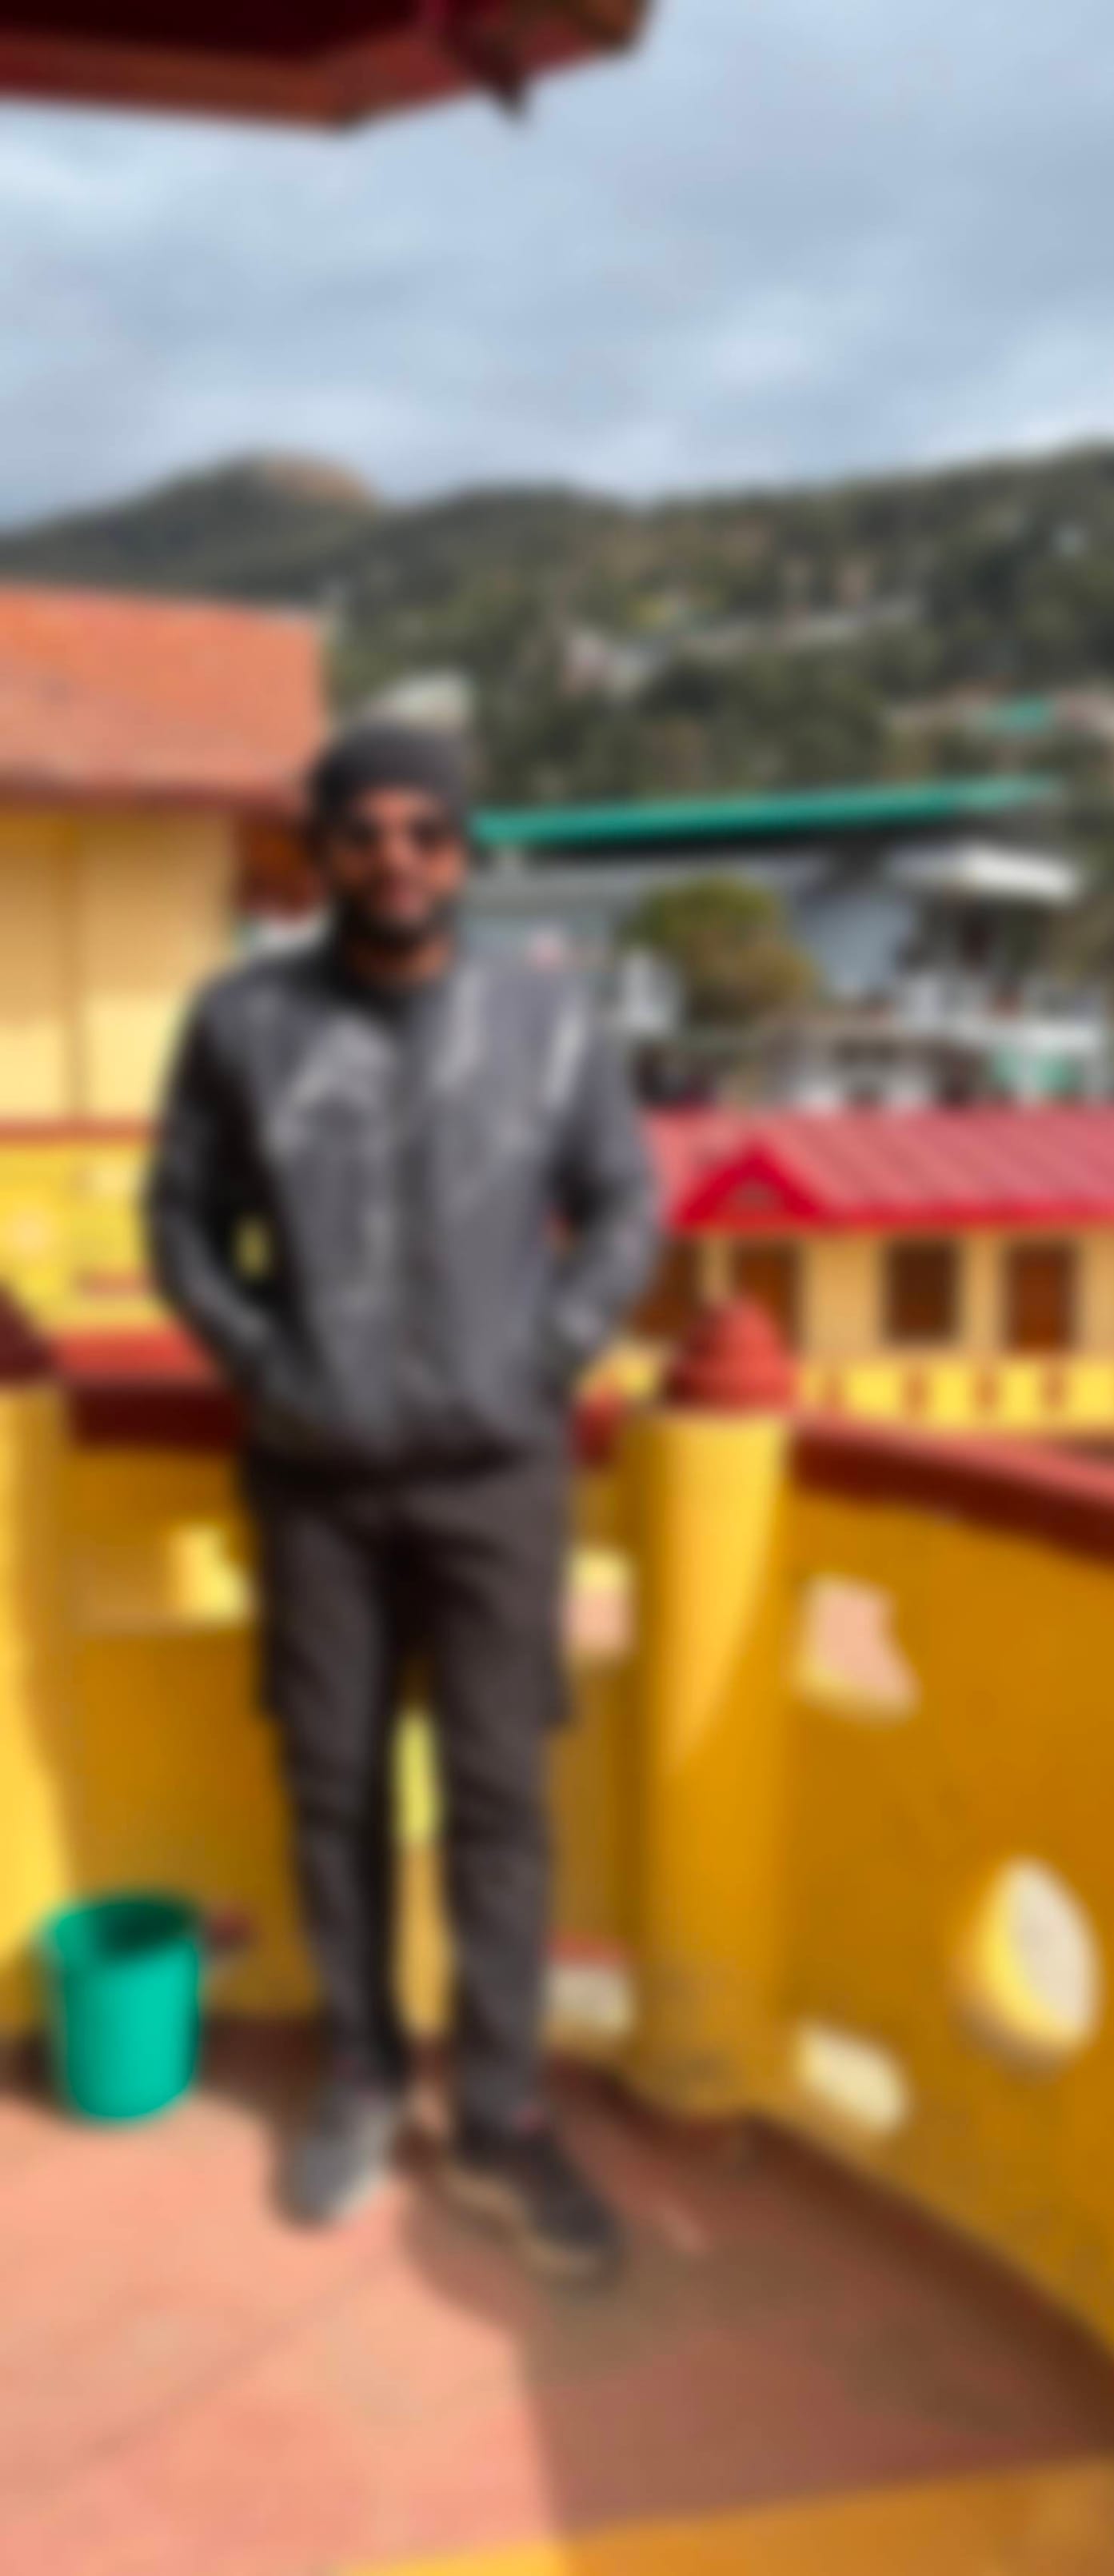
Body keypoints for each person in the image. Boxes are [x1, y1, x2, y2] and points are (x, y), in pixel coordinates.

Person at [146, 721, 661, 2278]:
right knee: (335, 1789)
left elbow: (627, 1205)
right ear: (316, 851)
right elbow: (178, 1221)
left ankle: (498, 2116)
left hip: (498, 1479)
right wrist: (267, 1363)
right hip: (316, 1484)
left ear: (463, 848)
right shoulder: (241, 1024)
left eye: (425, 830)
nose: (396, 858)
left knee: (499, 1800)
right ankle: (364, 2072)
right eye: (362, 831)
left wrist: (547, 1356)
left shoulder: (549, 1022)